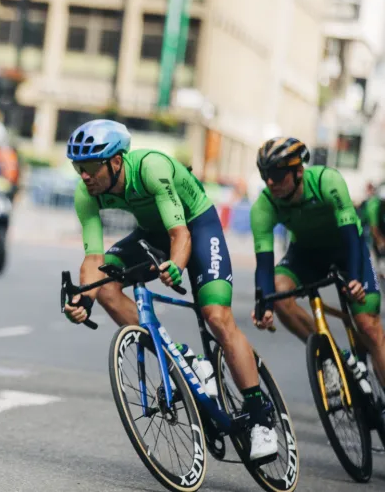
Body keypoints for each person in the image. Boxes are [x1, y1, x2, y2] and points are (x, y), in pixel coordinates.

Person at [61, 119, 278, 462]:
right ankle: (182, 357)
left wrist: (176, 265)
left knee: (217, 318)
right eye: (78, 167)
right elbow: (93, 258)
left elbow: (181, 235)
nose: (84, 176)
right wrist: (83, 298)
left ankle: (260, 417)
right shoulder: (85, 193)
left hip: (196, 227)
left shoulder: (151, 168)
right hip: (155, 234)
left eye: (89, 167)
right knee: (105, 286)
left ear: (116, 161)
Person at [251, 137, 385, 393]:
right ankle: (331, 356)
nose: (270, 182)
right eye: (265, 174)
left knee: (368, 326)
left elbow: (351, 234)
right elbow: (265, 266)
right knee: (278, 293)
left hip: (347, 249)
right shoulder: (264, 205)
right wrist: (264, 304)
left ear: (298, 171)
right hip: (306, 254)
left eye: (277, 174)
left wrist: (355, 278)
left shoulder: (326, 181)